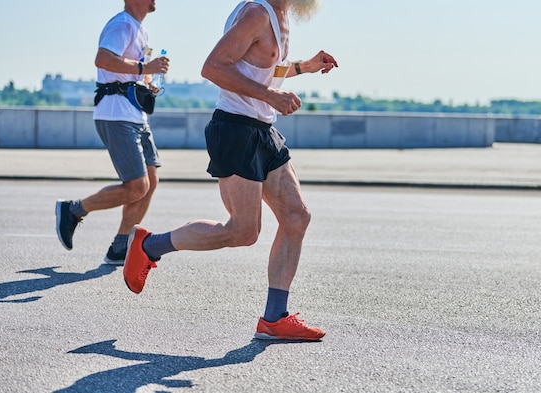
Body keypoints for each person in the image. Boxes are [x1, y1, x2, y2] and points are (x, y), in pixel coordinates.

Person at [122, 0, 337, 341]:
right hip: (236, 130)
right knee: (242, 231)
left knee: (297, 217)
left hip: (264, 130)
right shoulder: (256, 13)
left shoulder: (281, 17)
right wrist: (270, 96)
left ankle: (274, 317)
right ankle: (149, 246)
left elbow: (261, 68)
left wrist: (303, 67)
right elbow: (214, 68)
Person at [55, 0, 170, 265]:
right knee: (136, 186)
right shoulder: (122, 24)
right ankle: (73, 210)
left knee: (150, 183)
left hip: (135, 115)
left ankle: (119, 247)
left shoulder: (140, 30)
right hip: (116, 115)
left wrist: (147, 81)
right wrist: (145, 68)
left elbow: (124, 69)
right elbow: (103, 59)